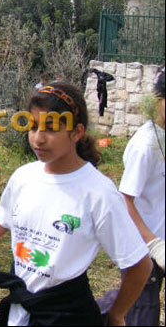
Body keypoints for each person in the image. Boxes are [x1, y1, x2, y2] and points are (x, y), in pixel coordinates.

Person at [0, 82, 152, 326]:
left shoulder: (98, 193)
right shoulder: (24, 177)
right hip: (19, 313)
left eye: (51, 128)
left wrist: (117, 314)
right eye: (33, 126)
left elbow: (140, 265)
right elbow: (5, 216)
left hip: (67, 316)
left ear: (76, 132)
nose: (38, 138)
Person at [99, 69, 165, 325]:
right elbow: (124, 200)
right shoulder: (146, 145)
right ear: (157, 101)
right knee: (142, 315)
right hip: (145, 249)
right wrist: (154, 245)